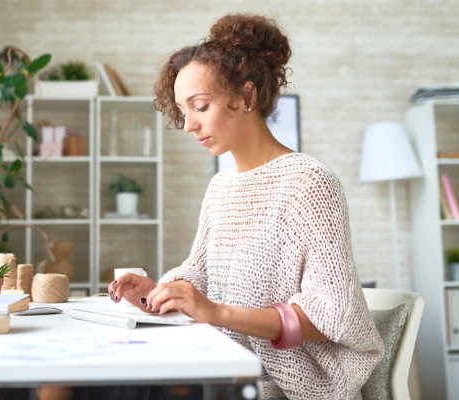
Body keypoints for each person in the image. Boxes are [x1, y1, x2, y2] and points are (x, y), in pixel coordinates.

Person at [109, 13, 384, 400]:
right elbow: (202, 276)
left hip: (291, 389)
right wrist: (160, 293)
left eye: (199, 106)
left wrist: (216, 313)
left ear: (247, 96)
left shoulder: (309, 182)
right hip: (226, 372)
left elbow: (332, 314)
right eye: (183, 111)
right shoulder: (221, 187)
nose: (188, 125)